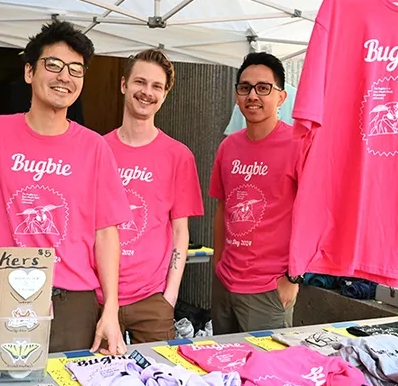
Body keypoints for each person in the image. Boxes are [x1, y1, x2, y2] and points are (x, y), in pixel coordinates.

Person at [0, 20, 131, 354]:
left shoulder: (94, 148)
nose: (65, 77)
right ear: (29, 72)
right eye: (54, 65)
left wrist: (111, 310)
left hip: (71, 303)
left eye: (76, 69)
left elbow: (107, 233)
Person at [104, 49, 204, 343]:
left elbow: (180, 231)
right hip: (97, 294)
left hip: (152, 299)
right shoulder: (96, 150)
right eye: (140, 82)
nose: (147, 92)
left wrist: (169, 297)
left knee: (159, 382)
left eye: (156, 86)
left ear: (164, 94)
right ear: (124, 85)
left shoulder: (179, 156)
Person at [209, 52, 302, 334]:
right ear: (237, 96)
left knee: (266, 373)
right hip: (225, 283)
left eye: (263, 88)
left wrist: (293, 278)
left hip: (269, 288)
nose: (253, 95)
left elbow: (312, 215)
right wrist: (218, 264)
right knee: (224, 371)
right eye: (245, 88)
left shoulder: (298, 145)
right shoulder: (228, 147)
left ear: (281, 97)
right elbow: (223, 208)